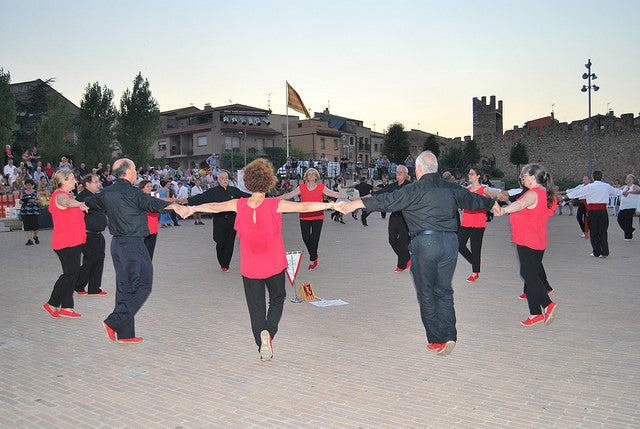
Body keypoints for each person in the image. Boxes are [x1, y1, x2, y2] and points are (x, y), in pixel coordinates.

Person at [180, 158, 343, 360]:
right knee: (276, 299)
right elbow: (304, 207)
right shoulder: (275, 204)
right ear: (269, 181)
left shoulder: (238, 204)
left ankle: (262, 344)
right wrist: (332, 207)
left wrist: (192, 209)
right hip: (273, 264)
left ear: (248, 182)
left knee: (255, 307)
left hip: (250, 266)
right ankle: (269, 332)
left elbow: (214, 206)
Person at [339, 151, 499, 355]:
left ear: (419, 169)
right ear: (436, 169)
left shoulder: (414, 189)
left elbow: (387, 200)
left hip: (425, 242)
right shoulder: (450, 187)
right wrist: (492, 204)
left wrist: (356, 203)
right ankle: (449, 335)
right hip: (449, 242)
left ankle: (436, 340)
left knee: (426, 292)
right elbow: (472, 199)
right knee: (444, 291)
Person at [84, 158, 186, 344]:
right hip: (133, 245)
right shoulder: (132, 192)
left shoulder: (107, 192)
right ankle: (113, 321)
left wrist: (75, 204)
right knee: (144, 284)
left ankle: (126, 334)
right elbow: (152, 204)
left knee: (125, 288)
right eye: (134, 169)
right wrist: (175, 206)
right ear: (129, 172)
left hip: (117, 245)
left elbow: (89, 202)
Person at [497, 164, 559, 327]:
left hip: (527, 240)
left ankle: (547, 304)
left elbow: (520, 205)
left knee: (528, 274)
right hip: (537, 240)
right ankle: (535, 314)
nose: (522, 178)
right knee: (532, 275)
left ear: (532, 177)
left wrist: (504, 211)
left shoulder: (533, 193)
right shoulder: (546, 193)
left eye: (524, 175)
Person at [278, 167, 350, 270]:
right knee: (306, 238)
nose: (311, 175)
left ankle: (313, 259)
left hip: (318, 216)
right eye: (309, 174)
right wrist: (273, 199)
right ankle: (314, 254)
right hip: (304, 216)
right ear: (306, 176)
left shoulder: (321, 187)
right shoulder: (301, 187)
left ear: (316, 176)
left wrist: (348, 197)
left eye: (313, 174)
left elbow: (335, 194)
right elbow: (289, 195)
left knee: (314, 239)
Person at [43, 169, 89, 319]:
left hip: (72, 241)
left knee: (71, 274)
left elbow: (70, 202)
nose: (75, 181)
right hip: (66, 242)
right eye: (71, 179)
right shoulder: (60, 195)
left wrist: (77, 204)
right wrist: (79, 204)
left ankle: (67, 307)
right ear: (63, 181)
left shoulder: (67, 195)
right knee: (70, 274)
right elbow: (67, 202)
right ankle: (52, 303)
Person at [184, 170, 250, 272]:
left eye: (226, 178)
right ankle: (222, 261)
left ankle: (225, 265)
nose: (225, 180)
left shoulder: (233, 190)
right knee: (220, 242)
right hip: (219, 220)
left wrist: (257, 197)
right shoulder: (213, 192)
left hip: (232, 220)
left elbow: (245, 196)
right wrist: (187, 201)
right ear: (218, 180)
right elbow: (201, 198)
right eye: (222, 178)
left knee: (230, 243)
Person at [457, 167, 502, 282]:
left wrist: (498, 201)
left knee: (475, 247)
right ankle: (474, 260)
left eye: (472, 174)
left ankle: (475, 272)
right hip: (466, 221)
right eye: (469, 174)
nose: (469, 175)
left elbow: (495, 196)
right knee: (459, 245)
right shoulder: (467, 189)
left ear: (478, 176)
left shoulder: (484, 189)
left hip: (478, 223)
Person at [567, 171, 623, 258]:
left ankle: (596, 251)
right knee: (603, 231)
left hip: (593, 211)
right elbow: (617, 192)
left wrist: (564, 197)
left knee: (594, 231)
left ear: (593, 178)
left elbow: (577, 193)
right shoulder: (606, 186)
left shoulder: (590, 187)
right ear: (601, 177)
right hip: (603, 211)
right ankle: (605, 251)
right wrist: (624, 192)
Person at [370, 165, 411, 272]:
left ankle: (401, 265)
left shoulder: (410, 186)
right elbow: (379, 193)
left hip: (406, 218)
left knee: (403, 242)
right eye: (397, 172)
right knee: (392, 240)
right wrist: (360, 199)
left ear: (406, 174)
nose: (398, 174)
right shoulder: (392, 186)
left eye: (401, 172)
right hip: (394, 216)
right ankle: (407, 258)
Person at [74, 174, 108, 296]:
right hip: (88, 234)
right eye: (95, 182)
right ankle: (78, 285)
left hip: (98, 234)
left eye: (98, 181)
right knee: (90, 260)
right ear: (87, 184)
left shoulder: (95, 196)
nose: (98, 184)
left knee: (99, 260)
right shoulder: (82, 197)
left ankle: (94, 288)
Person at [139, 180, 160, 259]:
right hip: (145, 229)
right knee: (145, 254)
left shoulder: (151, 198)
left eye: (151, 186)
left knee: (149, 253)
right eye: (147, 186)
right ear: (142, 188)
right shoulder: (141, 199)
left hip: (153, 229)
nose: (150, 188)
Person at [617, 174, 640, 240]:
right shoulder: (624, 187)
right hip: (623, 206)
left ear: (633, 180)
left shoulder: (634, 186)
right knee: (620, 219)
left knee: (628, 221)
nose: (628, 180)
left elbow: (639, 190)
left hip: (631, 206)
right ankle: (630, 230)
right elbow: (617, 190)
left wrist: (629, 192)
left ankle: (628, 236)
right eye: (627, 179)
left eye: (630, 179)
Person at [19, 179, 41, 245]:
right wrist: (22, 201)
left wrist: (34, 201)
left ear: (32, 185)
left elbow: (39, 201)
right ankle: (29, 239)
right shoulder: (23, 192)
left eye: (29, 185)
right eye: (27, 185)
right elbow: (20, 201)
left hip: (34, 211)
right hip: (25, 211)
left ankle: (35, 236)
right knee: (27, 226)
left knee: (35, 226)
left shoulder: (36, 192)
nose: (28, 186)